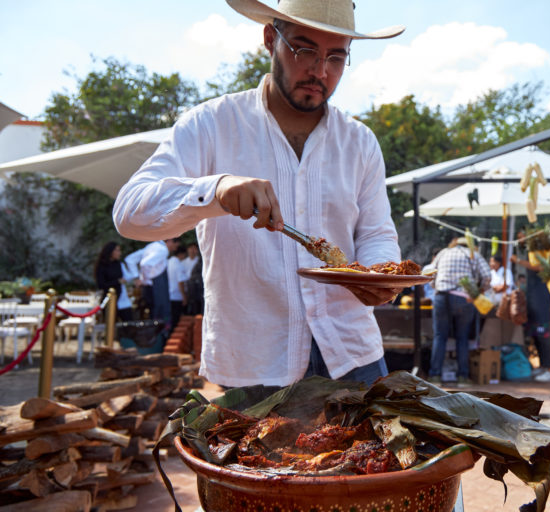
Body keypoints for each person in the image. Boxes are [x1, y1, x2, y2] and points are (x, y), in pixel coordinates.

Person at [113, 0, 405, 390]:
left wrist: (378, 273)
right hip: (255, 365)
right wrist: (215, 189)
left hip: (354, 355)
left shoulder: (360, 142)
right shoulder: (210, 125)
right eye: (305, 50)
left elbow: (376, 233)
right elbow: (130, 213)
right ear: (271, 39)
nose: (320, 71)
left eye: (336, 57)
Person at [427, 237, 492, 387]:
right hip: (463, 298)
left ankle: (435, 376)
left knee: (439, 336)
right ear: (470, 245)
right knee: (462, 337)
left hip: (441, 297)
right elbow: (487, 276)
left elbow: (430, 273)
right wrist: (478, 291)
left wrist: (435, 286)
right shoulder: (472, 254)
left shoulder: (443, 252)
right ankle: (463, 377)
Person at [510, 232, 550, 383]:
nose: (521, 239)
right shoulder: (531, 254)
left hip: (541, 300)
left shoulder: (541, 254)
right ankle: (542, 366)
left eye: (524, 236)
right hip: (533, 300)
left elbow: (540, 267)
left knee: (543, 334)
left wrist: (519, 261)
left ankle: (548, 367)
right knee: (535, 334)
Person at [94, 241, 133, 321]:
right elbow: (101, 284)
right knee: (111, 324)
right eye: (117, 250)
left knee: (128, 323)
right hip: (109, 299)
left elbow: (128, 276)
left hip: (122, 298)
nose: (119, 253)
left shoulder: (118, 264)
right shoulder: (102, 266)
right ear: (111, 251)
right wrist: (117, 281)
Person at [167, 244, 188, 330]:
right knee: (177, 320)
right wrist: (184, 297)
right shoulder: (178, 265)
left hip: (169, 295)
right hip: (177, 296)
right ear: (181, 254)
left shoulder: (168, 262)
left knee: (171, 319)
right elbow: (181, 282)